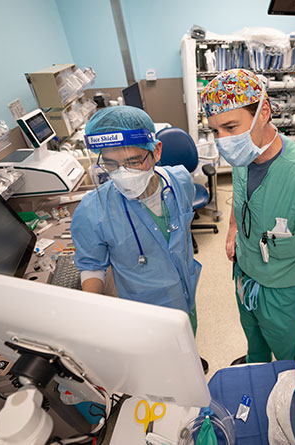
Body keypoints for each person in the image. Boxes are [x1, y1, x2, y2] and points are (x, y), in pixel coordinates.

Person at [200, 69, 295, 384]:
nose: (224, 141)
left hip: (282, 292)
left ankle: (292, 391)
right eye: (216, 131)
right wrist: (233, 231)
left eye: (231, 127)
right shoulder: (245, 155)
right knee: (254, 341)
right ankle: (256, 370)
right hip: (244, 275)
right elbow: (242, 198)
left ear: (264, 112)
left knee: (290, 358)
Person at [71, 106, 208, 372]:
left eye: (134, 161)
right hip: (146, 310)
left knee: (188, 340)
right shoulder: (93, 210)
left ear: (156, 151)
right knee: (162, 367)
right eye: (111, 164)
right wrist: (92, 309)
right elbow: (91, 265)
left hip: (185, 291)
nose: (124, 173)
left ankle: (189, 357)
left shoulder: (180, 180)